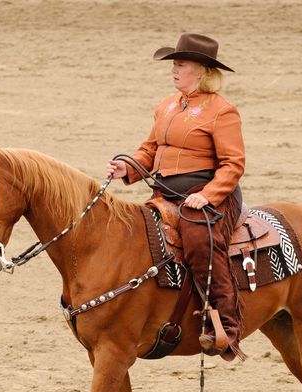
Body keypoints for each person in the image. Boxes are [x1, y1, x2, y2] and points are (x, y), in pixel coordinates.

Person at [106, 32, 245, 361]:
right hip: (166, 192)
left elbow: (233, 163)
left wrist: (209, 195)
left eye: (181, 64)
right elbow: (150, 150)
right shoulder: (166, 106)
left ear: (202, 72)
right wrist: (128, 170)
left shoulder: (222, 111)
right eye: (174, 64)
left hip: (208, 191)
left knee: (198, 235)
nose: (174, 70)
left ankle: (225, 322)